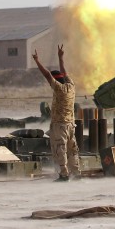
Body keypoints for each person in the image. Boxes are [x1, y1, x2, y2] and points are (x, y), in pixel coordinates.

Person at [33, 44, 80, 182]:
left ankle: (64, 175)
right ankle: (76, 173)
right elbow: (64, 73)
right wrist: (61, 57)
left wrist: (37, 61)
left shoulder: (59, 89)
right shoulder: (71, 86)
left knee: (60, 150)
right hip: (71, 125)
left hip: (60, 125)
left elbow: (47, 75)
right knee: (73, 150)